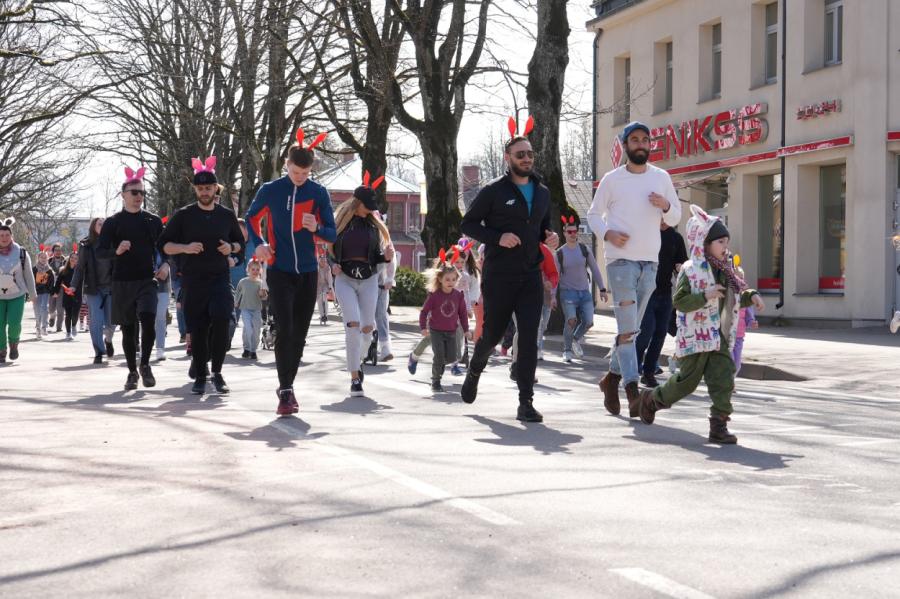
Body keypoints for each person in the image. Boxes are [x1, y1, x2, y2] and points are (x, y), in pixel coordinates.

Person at [459, 116, 559, 422]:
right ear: (508, 158)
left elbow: (542, 228)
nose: (526, 159)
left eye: (530, 154)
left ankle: (525, 402)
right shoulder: (494, 191)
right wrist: (497, 237)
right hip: (500, 276)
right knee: (492, 335)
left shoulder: (542, 192)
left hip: (530, 275)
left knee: (529, 338)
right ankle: (475, 368)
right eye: (520, 154)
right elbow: (468, 224)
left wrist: (550, 236)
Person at [638, 206, 765, 444]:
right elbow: (679, 301)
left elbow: (737, 293)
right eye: (720, 242)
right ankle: (652, 399)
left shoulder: (727, 270)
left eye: (727, 241)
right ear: (705, 243)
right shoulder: (690, 270)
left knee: (723, 378)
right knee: (686, 383)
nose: (725, 246)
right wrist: (705, 295)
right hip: (695, 337)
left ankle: (719, 424)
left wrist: (752, 296)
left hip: (718, 337)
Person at [587, 120, 682, 418]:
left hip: (650, 263)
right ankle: (632, 390)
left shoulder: (661, 177)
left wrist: (666, 205)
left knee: (632, 330)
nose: (641, 144)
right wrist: (608, 234)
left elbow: (676, 216)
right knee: (629, 330)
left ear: (650, 145)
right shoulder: (612, 180)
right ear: (626, 145)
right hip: (620, 262)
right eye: (635, 140)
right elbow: (593, 214)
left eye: (645, 140)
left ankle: (611, 378)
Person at [245, 128, 336, 414]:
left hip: (308, 273)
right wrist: (259, 244)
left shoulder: (318, 193)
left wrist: (316, 227)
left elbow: (332, 233)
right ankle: (285, 391)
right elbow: (251, 218)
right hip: (280, 270)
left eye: (305, 173)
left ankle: (288, 385)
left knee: (299, 334)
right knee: (285, 329)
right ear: (287, 165)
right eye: (296, 172)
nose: (300, 177)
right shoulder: (271, 190)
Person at [160, 156, 245, 395]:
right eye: (200, 188)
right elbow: (164, 245)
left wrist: (231, 249)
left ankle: (217, 372)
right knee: (197, 328)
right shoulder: (183, 215)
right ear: (195, 190)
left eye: (209, 188)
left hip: (219, 279)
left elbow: (240, 244)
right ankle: (200, 375)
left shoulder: (226, 215)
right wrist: (185, 248)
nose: (205, 192)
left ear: (216, 188)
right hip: (193, 280)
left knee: (222, 322)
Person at [98, 166, 164, 390]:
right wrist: (116, 251)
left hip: (147, 279)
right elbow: (100, 252)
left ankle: (145, 364)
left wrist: (165, 264)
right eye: (134, 192)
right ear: (123, 194)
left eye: (142, 192)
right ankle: (132, 372)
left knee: (148, 320)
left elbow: (164, 247)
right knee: (128, 329)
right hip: (122, 281)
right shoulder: (113, 222)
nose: (139, 196)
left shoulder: (153, 220)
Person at [329, 173, 394, 397]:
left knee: (367, 329)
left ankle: (360, 357)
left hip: (368, 280)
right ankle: (355, 378)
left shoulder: (372, 227)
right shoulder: (340, 224)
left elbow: (375, 256)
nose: (371, 210)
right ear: (357, 203)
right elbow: (329, 250)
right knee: (352, 326)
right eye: (367, 206)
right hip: (345, 279)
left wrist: (385, 257)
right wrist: (333, 265)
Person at [634, 220, 688, 387]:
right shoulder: (647, 233)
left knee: (660, 333)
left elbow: (683, 263)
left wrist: (680, 267)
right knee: (646, 331)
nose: (664, 219)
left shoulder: (676, 238)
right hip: (646, 292)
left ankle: (648, 372)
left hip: (665, 293)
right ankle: (633, 369)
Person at [557, 217, 607, 363]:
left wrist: (602, 288)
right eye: (570, 232)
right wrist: (552, 295)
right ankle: (567, 351)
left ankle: (574, 339)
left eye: (575, 231)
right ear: (564, 233)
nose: (573, 234)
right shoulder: (560, 253)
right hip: (567, 293)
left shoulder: (585, 250)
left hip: (584, 293)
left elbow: (595, 269)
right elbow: (555, 276)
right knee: (571, 320)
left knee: (589, 322)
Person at [418, 256, 470, 392]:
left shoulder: (458, 296)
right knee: (439, 356)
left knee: (452, 357)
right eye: (447, 279)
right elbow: (424, 312)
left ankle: (439, 365)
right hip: (436, 331)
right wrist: (423, 327)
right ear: (440, 279)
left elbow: (463, 314)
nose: (451, 282)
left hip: (452, 331)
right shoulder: (434, 295)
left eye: (453, 279)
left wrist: (466, 330)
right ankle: (435, 381)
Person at [508, 242, 558, 382]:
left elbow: (553, 273)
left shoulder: (543, 249)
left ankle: (524, 368)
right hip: (514, 295)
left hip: (534, 297)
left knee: (533, 332)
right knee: (522, 329)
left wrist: (550, 282)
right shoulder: (511, 244)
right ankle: (517, 366)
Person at [72, 217, 116, 363]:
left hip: (111, 288)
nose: (102, 226)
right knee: (96, 321)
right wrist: (73, 285)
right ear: (93, 227)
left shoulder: (113, 242)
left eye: (104, 224)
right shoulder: (86, 245)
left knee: (112, 322)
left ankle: (108, 339)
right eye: (99, 224)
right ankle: (99, 351)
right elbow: (80, 268)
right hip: (93, 289)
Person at [0, 217, 37, 363]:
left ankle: (14, 344)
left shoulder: (21, 252)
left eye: (7, 235)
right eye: (1, 235)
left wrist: (33, 294)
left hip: (17, 295)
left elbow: (28, 274)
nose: (4, 238)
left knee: (14, 323)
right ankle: (1, 350)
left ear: (11, 236)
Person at [448, 239, 479, 374]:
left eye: (462, 261)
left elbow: (466, 293)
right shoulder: (446, 274)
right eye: (457, 262)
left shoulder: (466, 275)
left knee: (459, 336)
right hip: (447, 310)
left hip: (460, 311)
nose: (460, 265)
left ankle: (455, 364)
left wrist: (469, 308)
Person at [235, 259, 267, 359]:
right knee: (248, 328)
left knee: (256, 330)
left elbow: (264, 297)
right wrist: (236, 301)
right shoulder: (243, 281)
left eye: (257, 269)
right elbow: (238, 291)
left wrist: (262, 294)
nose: (255, 271)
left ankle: (253, 350)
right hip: (245, 309)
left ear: (260, 271)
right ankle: (247, 348)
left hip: (257, 310)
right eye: (253, 269)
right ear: (248, 269)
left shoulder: (261, 283)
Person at [375, 237, 399, 362]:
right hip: (364, 283)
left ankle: (385, 348)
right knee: (365, 316)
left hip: (381, 285)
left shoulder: (385, 239)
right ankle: (363, 345)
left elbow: (392, 260)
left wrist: (389, 279)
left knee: (381, 315)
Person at [53, 252, 81, 340]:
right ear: (69, 259)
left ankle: (74, 326)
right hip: (67, 295)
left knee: (75, 314)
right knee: (68, 315)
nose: (73, 259)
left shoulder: (80, 271)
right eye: (72, 257)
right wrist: (56, 292)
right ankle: (68, 333)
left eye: (76, 258)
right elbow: (58, 282)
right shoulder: (63, 271)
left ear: (78, 260)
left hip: (77, 295)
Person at [32, 250, 54, 338]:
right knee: (37, 310)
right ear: (38, 258)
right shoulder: (34, 269)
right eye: (42, 257)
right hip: (36, 292)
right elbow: (31, 281)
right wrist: (31, 291)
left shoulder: (49, 270)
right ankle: (38, 328)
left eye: (45, 257)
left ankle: (44, 327)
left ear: (47, 258)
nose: (43, 259)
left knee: (44, 308)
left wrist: (50, 290)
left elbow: (52, 282)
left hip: (45, 292)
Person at [47, 243, 66, 332]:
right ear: (53, 251)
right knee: (51, 307)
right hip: (51, 287)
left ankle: (59, 327)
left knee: (60, 308)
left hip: (62, 287)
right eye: (56, 250)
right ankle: (52, 316)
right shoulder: (49, 261)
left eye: (60, 250)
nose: (58, 252)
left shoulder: (66, 261)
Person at [316, 250, 332, 325]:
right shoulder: (316, 268)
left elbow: (329, 278)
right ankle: (322, 315)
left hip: (325, 284)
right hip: (318, 285)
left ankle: (326, 315)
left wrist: (330, 287)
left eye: (324, 261)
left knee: (325, 299)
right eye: (322, 261)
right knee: (319, 300)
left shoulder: (328, 267)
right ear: (319, 261)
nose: (323, 262)